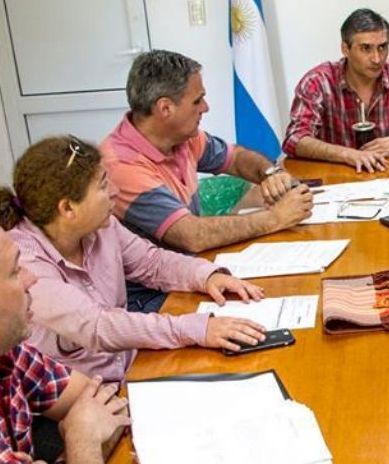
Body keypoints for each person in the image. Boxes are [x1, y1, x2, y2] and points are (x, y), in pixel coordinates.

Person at [1, 135, 270, 383]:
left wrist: (207, 275)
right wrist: (195, 328)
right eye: (103, 186)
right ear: (68, 208)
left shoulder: (102, 226)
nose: (115, 192)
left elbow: (152, 263)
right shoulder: (23, 259)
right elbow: (97, 326)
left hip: (136, 367)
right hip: (86, 403)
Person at [102, 50, 313, 311]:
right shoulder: (122, 166)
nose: (206, 107)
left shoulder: (182, 137)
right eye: (197, 100)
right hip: (153, 299)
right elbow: (190, 236)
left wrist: (271, 174)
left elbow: (236, 158)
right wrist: (275, 219)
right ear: (165, 108)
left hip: (193, 271)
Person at [0, 226, 130, 464]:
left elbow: (105, 404)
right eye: (15, 271)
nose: (31, 279)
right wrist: (82, 441)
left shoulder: (13, 354)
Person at [282, 8, 389, 173]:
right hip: (338, 180)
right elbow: (295, 139)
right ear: (345, 49)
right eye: (366, 48)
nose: (377, 58)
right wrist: (347, 154)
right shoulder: (318, 81)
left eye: (382, 47)